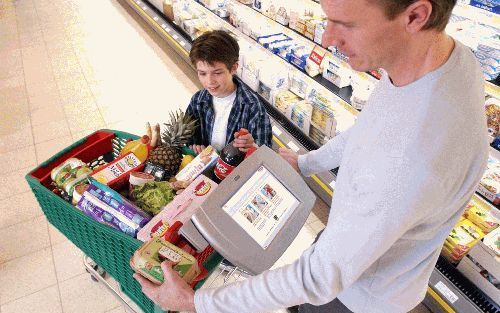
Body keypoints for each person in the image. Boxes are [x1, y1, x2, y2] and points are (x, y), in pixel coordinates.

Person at [134, 1, 489, 312]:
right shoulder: (435, 61)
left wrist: (198, 303)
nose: (327, 38)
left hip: (357, 296)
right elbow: (370, 127)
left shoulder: (413, 158)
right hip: (355, 251)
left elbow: (318, 278)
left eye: (346, 24)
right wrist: (306, 162)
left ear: (415, 16)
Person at [185, 30, 272, 154]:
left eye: (217, 73)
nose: (209, 81)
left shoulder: (252, 106)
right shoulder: (198, 100)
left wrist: (252, 146)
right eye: (202, 73)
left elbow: (265, 152)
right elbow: (189, 137)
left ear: (233, 68)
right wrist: (194, 147)